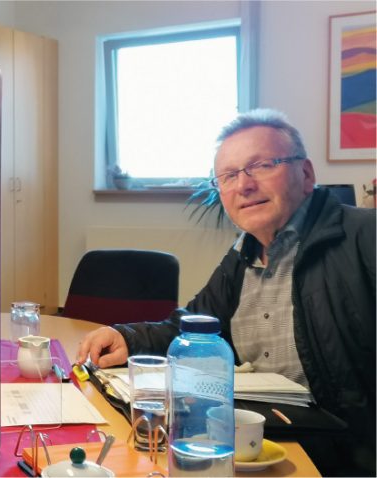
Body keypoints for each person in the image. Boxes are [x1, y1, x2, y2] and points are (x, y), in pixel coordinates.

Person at [76, 109, 375, 476]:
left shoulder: (364, 238)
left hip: (342, 458)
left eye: (262, 165)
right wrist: (127, 337)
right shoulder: (242, 255)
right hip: (254, 446)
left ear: (307, 174)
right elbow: (192, 326)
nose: (243, 185)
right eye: (229, 176)